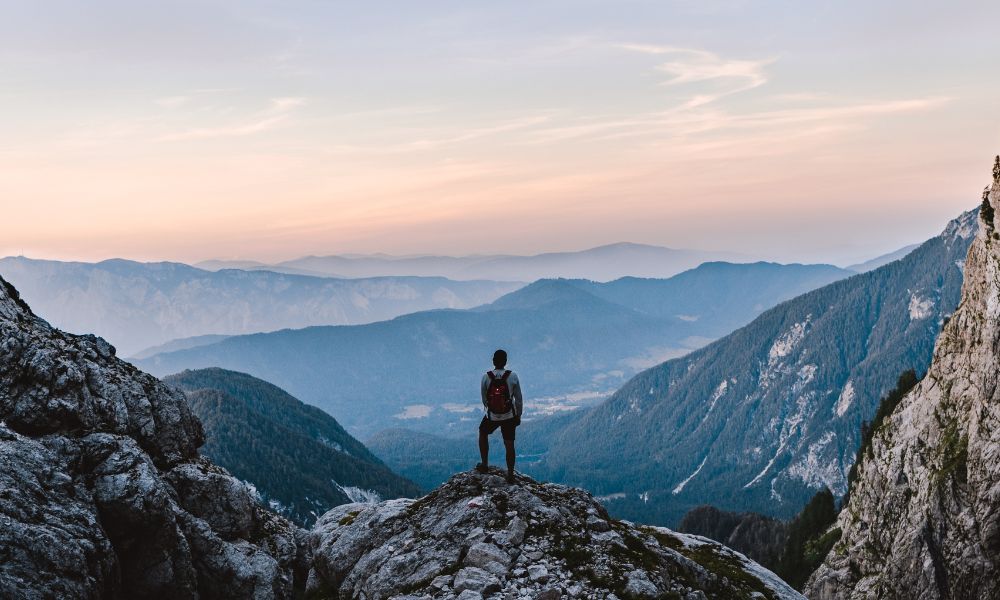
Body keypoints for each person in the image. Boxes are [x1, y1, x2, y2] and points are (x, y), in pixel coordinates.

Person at [476, 349, 523, 484]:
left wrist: (492, 410)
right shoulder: (512, 376)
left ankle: (485, 464)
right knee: (509, 443)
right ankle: (510, 474)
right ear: (506, 361)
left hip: (492, 416)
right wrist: (518, 415)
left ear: (493, 362)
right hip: (509, 416)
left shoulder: (486, 377)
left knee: (482, 432)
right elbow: (518, 398)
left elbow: (484, 400)